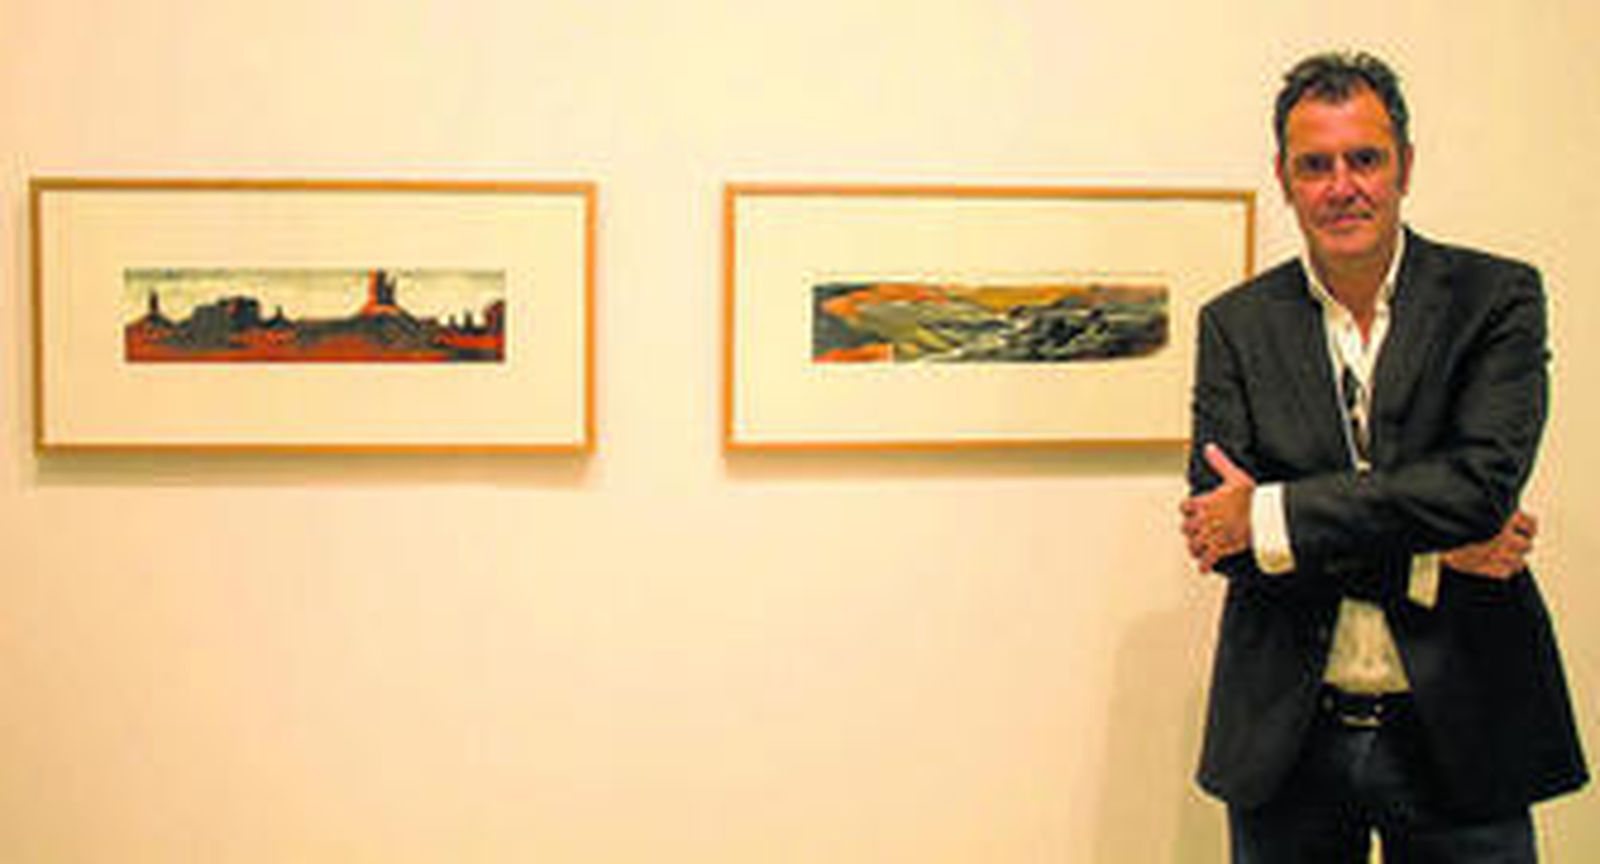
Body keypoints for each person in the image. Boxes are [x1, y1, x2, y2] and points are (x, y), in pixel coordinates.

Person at [1180, 51, 1587, 862]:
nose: (1342, 186)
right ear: (1284, 178)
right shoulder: (1236, 324)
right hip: (1286, 745)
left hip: (1462, 735)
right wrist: (1427, 558)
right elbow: (1222, 536)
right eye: (1315, 165)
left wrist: (1278, 513)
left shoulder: (1497, 298)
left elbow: (1478, 488)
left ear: (1405, 165)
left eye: (1364, 159)